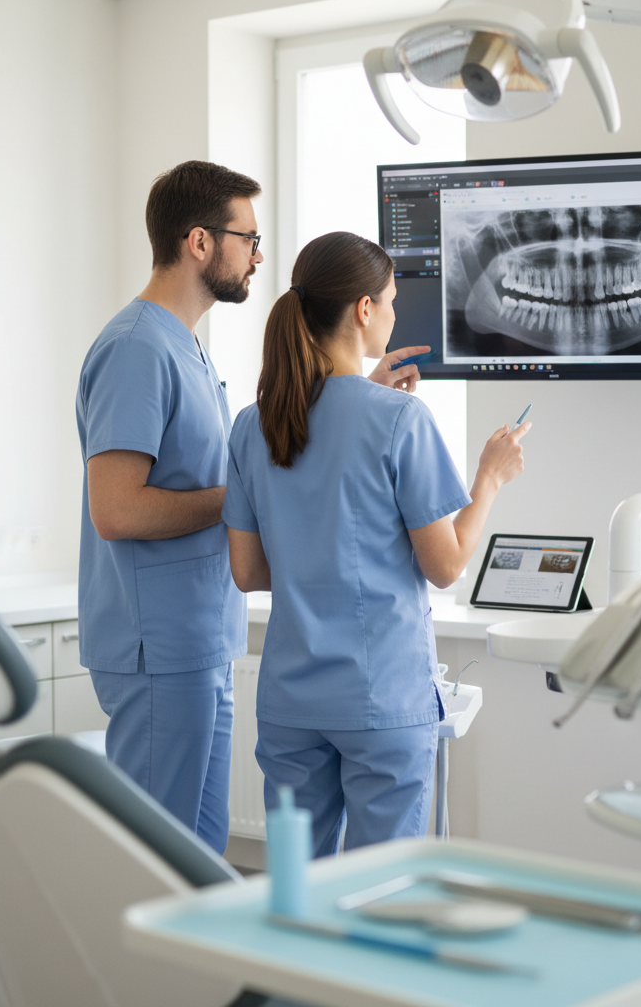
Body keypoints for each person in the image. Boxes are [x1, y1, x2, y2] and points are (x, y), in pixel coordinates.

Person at [223, 231, 530, 857]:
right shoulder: (399, 420)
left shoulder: (255, 424)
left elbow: (249, 572)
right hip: (380, 700)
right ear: (363, 309)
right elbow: (444, 565)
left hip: (290, 703)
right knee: (382, 893)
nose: (393, 314)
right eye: (389, 300)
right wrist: (490, 480)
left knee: (295, 890)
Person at [75, 160, 266, 852]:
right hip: (157, 648)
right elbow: (118, 511)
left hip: (201, 641)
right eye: (248, 237)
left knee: (199, 861)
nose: (258, 254)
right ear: (200, 242)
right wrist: (239, 498)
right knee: (156, 865)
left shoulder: (184, 345)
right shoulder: (136, 349)